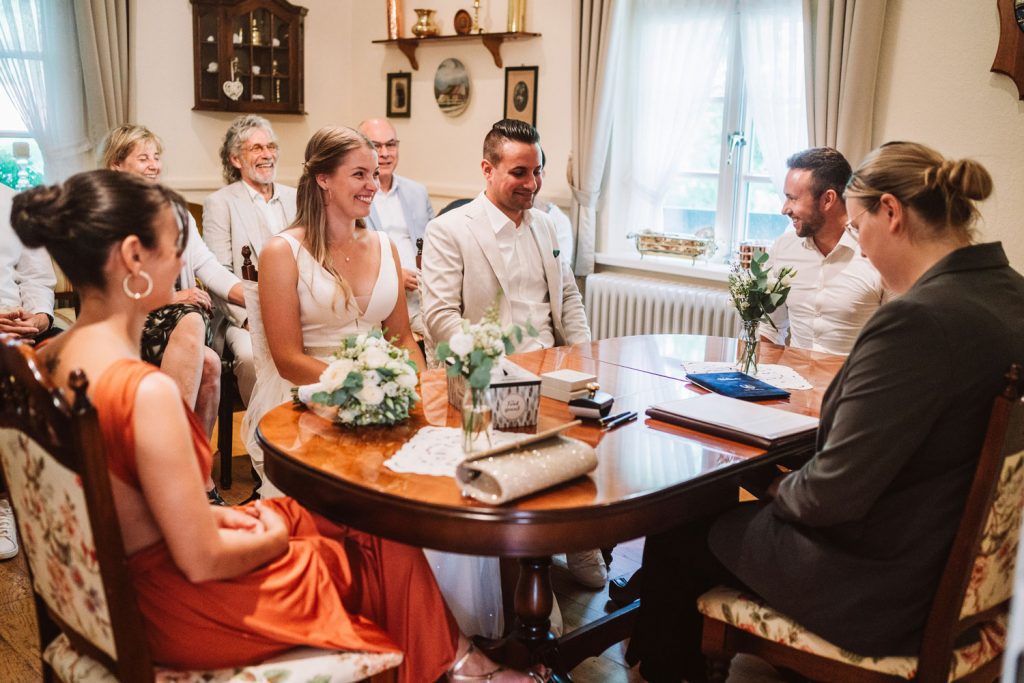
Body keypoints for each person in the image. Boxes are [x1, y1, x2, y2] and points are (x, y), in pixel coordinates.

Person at [11, 169, 540, 682]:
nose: (182, 263)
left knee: (343, 522)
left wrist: (274, 520)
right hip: (177, 606)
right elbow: (201, 557)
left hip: (110, 593)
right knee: (377, 550)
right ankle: (460, 668)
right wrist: (277, 528)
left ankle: (457, 664)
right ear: (132, 256)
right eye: (176, 244)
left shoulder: (49, 361)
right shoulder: (142, 391)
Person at [626, 142, 1024, 682]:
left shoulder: (918, 323)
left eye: (859, 229)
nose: (862, 245)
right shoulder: (1010, 294)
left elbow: (831, 495)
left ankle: (664, 670)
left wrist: (771, 484)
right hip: (962, 567)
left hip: (883, 587)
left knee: (682, 524)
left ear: (891, 212)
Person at [420, 119, 605, 590]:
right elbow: (439, 317)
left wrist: (582, 357)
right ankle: (533, 566)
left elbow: (568, 301)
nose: (533, 184)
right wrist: (494, 366)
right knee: (528, 457)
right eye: (520, 173)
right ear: (487, 169)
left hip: (555, 364)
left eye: (537, 172)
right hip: (488, 377)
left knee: (594, 441)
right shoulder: (449, 230)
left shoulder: (547, 225)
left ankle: (579, 538)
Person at [102, 124, 243, 505]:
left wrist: (258, 296)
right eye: (142, 157)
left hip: (174, 323)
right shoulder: (105, 213)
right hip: (124, 324)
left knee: (211, 366)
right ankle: (165, 471)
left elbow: (208, 266)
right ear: (117, 165)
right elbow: (107, 284)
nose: (153, 165)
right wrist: (170, 295)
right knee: (193, 317)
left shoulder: (176, 211)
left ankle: (195, 478)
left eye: (156, 157)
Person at [203, 115, 298, 407]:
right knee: (249, 355)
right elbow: (218, 272)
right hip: (242, 315)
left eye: (271, 146)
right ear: (235, 158)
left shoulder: (296, 197)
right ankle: (263, 436)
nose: (267, 154)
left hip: (299, 307)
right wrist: (250, 318)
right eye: (256, 148)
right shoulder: (221, 203)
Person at [766, 147, 890, 355]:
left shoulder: (878, 253)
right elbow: (769, 329)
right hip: (793, 382)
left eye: (793, 198)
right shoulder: (782, 248)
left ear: (828, 200)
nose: (785, 209)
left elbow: (895, 342)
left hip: (851, 384)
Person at [1, 180, 58, 560]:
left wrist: (38, 318)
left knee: (73, 361)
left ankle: (57, 494)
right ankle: (3, 500)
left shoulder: (14, 203)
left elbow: (37, 276)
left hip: (21, 325)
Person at [358, 118, 435, 341]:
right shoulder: (355, 194)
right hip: (375, 301)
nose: (385, 153)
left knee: (456, 338)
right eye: (375, 146)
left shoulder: (417, 192)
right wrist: (391, 276)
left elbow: (435, 244)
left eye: (390, 145)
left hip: (421, 297)